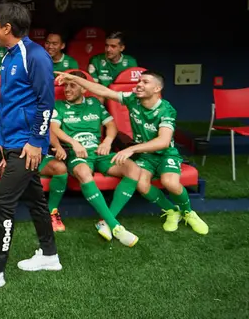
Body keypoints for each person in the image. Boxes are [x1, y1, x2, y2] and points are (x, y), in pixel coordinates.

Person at [0, 2, 60, 291]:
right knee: (36, 200)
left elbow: (46, 103)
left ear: (7, 27)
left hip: (27, 144)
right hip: (13, 143)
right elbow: (11, 104)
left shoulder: (36, 55)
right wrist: (6, 149)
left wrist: (35, 142)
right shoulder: (9, 56)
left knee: (3, 201)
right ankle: (49, 254)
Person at [55, 70, 209, 235]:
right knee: (142, 185)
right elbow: (103, 91)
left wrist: (131, 149)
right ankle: (171, 210)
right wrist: (74, 78)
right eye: (139, 81)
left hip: (165, 154)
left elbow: (163, 141)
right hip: (146, 156)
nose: (139, 85)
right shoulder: (133, 99)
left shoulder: (166, 109)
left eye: (145, 82)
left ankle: (188, 212)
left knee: (169, 182)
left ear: (157, 89)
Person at [50, 71, 140, 246]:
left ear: (84, 89)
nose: (67, 89)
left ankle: (106, 220)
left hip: (100, 152)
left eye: (72, 85)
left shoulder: (95, 104)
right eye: (65, 85)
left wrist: (107, 141)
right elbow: (54, 128)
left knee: (133, 169)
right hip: (78, 154)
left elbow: (111, 125)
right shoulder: (58, 106)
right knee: (83, 172)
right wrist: (73, 143)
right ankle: (115, 226)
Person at [0, 107, 70, 233]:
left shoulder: (35, 107)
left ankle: (52, 212)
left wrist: (58, 147)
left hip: (38, 155)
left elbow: (46, 130)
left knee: (60, 168)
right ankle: (5, 218)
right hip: (17, 156)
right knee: (5, 170)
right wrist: (5, 157)